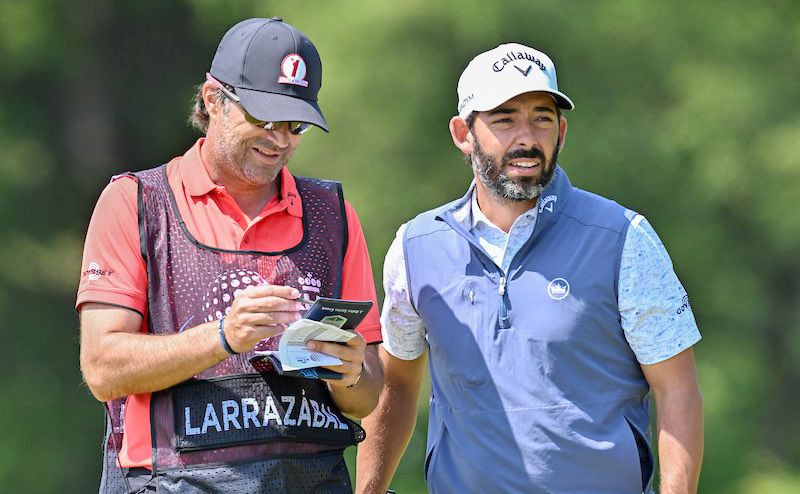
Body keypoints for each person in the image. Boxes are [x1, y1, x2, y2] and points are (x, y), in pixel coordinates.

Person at [356, 43, 703, 494]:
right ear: (463, 133)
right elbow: (397, 384)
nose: (527, 138)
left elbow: (677, 387)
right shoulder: (416, 245)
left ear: (561, 130)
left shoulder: (623, 236)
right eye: (504, 119)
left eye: (541, 117)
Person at [77, 17, 383, 493]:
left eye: (295, 125)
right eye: (263, 119)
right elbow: (102, 367)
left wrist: (346, 373)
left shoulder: (334, 214)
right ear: (213, 100)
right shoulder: (136, 203)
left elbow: (366, 396)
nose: (280, 139)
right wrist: (223, 336)